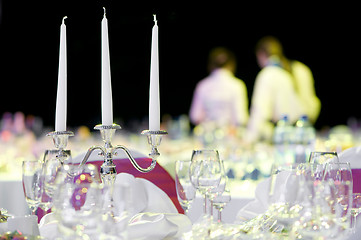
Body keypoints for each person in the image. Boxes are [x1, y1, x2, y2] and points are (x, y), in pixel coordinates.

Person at [247, 36, 313, 142]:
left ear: (260, 54)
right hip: (302, 133)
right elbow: (312, 105)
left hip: (282, 136)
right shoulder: (299, 68)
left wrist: (248, 139)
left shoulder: (267, 74)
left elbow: (260, 112)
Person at [189, 47, 249, 130]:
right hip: (230, 135)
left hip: (207, 135)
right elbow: (241, 118)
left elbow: (195, 116)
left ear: (211, 65)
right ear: (231, 64)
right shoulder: (237, 85)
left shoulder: (203, 85)